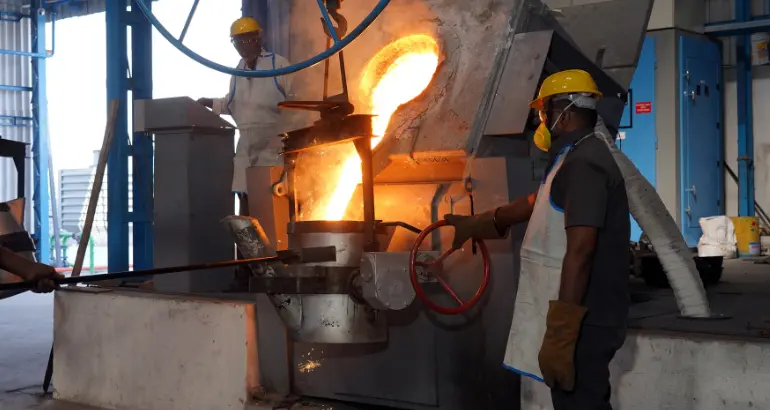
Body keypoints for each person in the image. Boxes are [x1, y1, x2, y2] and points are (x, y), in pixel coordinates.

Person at [445, 69, 630, 409]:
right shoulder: (573, 157)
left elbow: (582, 250)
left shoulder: (586, 165)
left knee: (580, 402)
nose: (542, 121)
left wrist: (563, 332)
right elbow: (537, 202)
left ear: (566, 112)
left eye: (544, 112)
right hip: (582, 312)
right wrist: (482, 223)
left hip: (587, 317)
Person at [197, 16, 293, 216]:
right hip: (245, 146)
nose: (242, 45)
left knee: (271, 201)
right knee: (245, 201)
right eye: (237, 41)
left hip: (273, 145)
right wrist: (210, 103)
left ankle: (273, 245)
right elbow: (232, 104)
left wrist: (288, 139)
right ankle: (246, 246)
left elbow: (297, 103)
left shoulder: (279, 65)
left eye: (246, 39)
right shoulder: (238, 71)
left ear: (258, 38)